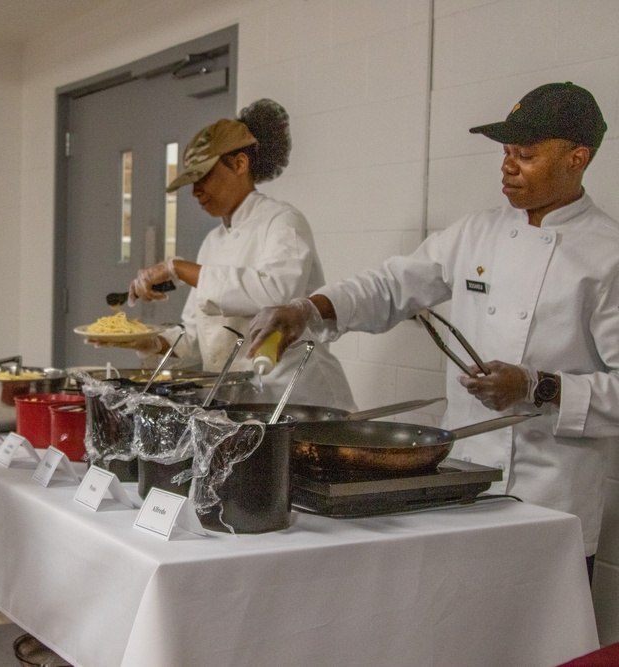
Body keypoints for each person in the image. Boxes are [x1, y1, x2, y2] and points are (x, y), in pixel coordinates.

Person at [248, 82, 614, 579]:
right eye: (505, 153)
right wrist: (308, 308)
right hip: (463, 485)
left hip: (552, 497)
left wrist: (537, 386)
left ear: (577, 158)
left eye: (525, 155)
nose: (507, 167)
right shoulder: (476, 233)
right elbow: (390, 284)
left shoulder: (607, 255)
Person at [118, 99, 355, 409]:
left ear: (240, 164)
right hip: (243, 404)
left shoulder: (282, 221)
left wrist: (177, 268)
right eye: (191, 182)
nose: (195, 191)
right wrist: (149, 342)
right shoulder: (212, 242)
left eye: (203, 177)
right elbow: (193, 337)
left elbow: (273, 294)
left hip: (302, 399)